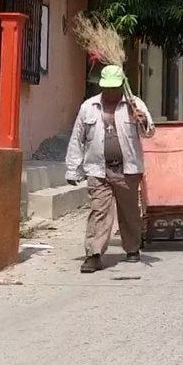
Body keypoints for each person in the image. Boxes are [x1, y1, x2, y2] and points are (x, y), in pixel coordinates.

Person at [65, 65, 155, 273]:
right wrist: (73, 169)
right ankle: (94, 253)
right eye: (108, 88)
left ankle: (132, 248)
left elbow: (149, 133)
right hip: (98, 169)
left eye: (115, 88)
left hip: (128, 170)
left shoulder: (134, 104)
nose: (112, 93)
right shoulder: (89, 107)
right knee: (99, 211)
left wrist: (143, 121)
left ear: (122, 86)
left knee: (129, 212)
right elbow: (77, 138)